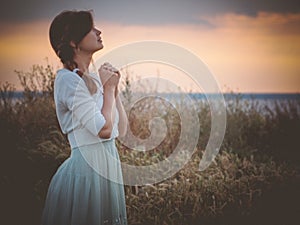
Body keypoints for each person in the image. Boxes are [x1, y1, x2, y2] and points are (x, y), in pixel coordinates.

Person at [41, 10, 128, 225]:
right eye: (90, 29)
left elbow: (122, 130)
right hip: (86, 174)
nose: (98, 31)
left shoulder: (95, 80)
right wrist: (108, 91)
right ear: (73, 42)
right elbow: (103, 130)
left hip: (108, 168)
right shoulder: (67, 81)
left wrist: (114, 91)